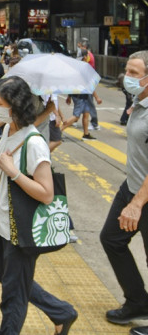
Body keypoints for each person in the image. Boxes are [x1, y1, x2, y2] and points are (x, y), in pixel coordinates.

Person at [0, 76, 78, 334]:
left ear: (15, 105)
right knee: (2, 274)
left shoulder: (35, 143)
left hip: (23, 228)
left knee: (13, 295)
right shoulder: (9, 129)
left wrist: (14, 173)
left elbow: (47, 194)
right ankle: (61, 312)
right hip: (6, 222)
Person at [100, 51, 148, 332]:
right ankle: (138, 301)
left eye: (133, 73)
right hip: (131, 187)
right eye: (126, 70)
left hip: (143, 195)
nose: (126, 77)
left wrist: (137, 203)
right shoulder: (138, 102)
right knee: (112, 239)